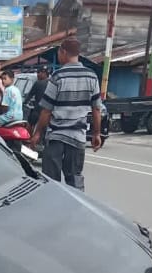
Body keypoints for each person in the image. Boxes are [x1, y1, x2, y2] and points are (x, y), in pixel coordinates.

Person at [33, 37, 102, 190]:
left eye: (59, 52)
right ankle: (75, 210)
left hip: (56, 137)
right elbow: (97, 109)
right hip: (77, 138)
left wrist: (37, 133)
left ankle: (53, 211)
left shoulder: (58, 76)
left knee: (52, 182)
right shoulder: (92, 76)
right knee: (75, 179)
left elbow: (46, 111)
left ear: (63, 52)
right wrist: (96, 134)